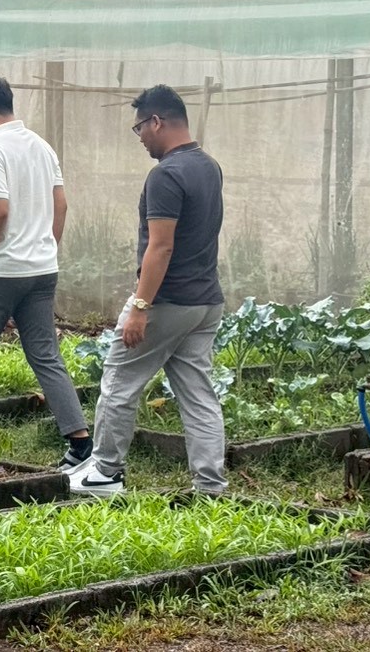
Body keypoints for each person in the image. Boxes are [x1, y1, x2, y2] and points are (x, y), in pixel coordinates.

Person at [69, 84, 227, 497]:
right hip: (205, 301)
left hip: (166, 301)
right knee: (198, 394)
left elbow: (161, 246)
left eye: (139, 127)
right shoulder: (209, 166)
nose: (139, 137)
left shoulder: (166, 174)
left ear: (156, 122)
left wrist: (140, 306)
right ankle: (210, 485)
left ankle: (105, 472)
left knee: (119, 381)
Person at [0, 73, 91, 462]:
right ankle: (80, 441)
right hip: (42, 270)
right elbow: (60, 205)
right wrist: (45, 248)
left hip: (0, 272)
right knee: (46, 354)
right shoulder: (42, 147)